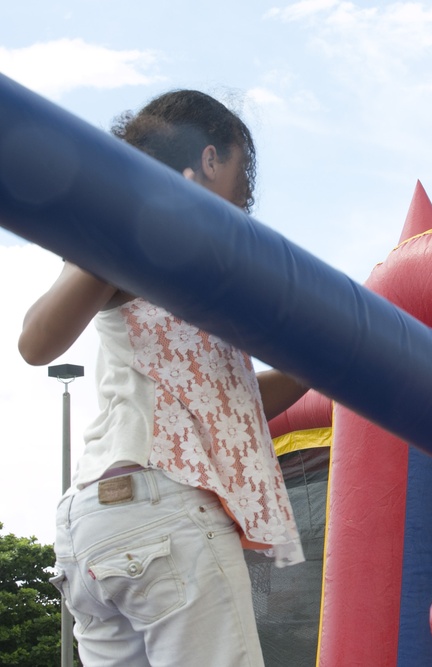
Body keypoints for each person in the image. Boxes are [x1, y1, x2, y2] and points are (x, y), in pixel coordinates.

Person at [19, 90, 309, 667]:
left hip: (100, 528)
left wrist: (318, 366)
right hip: (160, 511)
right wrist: (122, 226)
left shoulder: (199, 264)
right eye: (240, 178)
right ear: (209, 158)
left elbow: (237, 406)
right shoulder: (134, 229)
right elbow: (36, 340)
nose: (243, 198)